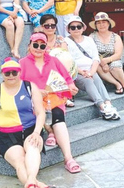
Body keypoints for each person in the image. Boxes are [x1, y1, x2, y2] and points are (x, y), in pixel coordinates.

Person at [0, 59, 48, 188]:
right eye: (7, 73)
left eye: (14, 73)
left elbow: (41, 113)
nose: (11, 76)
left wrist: (37, 132)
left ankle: (31, 181)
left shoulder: (29, 86)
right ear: (2, 74)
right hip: (8, 136)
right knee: (20, 161)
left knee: (32, 149)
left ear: (19, 72)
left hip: (31, 130)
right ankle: (35, 184)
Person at [19, 33, 81, 174]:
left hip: (55, 97)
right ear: (29, 45)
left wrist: (71, 86)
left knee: (58, 119)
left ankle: (68, 158)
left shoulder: (54, 60)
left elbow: (67, 77)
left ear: (46, 47)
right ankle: (50, 132)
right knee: (39, 111)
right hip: (33, 99)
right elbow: (17, 85)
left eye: (42, 45)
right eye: (35, 45)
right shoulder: (22, 63)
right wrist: (35, 91)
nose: (38, 48)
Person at [65, 17, 120, 120]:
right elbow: (68, 61)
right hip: (75, 72)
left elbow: (95, 58)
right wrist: (82, 72)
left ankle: (108, 103)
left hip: (90, 70)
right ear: (68, 29)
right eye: (73, 27)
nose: (76, 29)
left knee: (97, 79)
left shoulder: (89, 40)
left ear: (83, 28)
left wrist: (91, 72)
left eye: (78, 26)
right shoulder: (65, 41)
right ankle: (102, 107)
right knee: (89, 81)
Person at [39, 14, 77, 107]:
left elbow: (65, 55)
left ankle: (64, 95)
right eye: (47, 26)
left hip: (60, 67)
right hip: (44, 66)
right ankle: (63, 96)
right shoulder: (38, 40)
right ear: (42, 27)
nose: (50, 28)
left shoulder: (60, 39)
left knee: (64, 65)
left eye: (53, 25)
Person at [90, 12, 124, 94]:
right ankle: (117, 84)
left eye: (104, 22)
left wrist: (106, 61)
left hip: (113, 59)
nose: (101, 25)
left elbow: (118, 54)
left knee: (115, 65)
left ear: (108, 24)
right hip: (98, 61)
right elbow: (92, 53)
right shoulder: (91, 37)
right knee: (97, 66)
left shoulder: (115, 36)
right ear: (95, 25)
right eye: (98, 23)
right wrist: (103, 63)